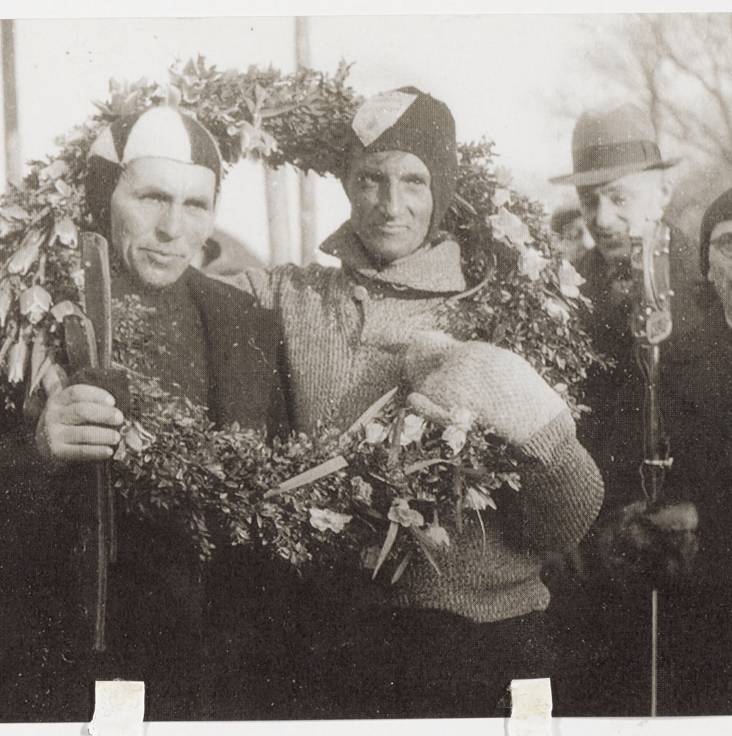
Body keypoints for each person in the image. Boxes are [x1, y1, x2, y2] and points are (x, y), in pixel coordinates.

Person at [232, 87, 604, 718]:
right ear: (347, 185)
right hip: (337, 636)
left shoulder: (502, 309)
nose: (391, 205)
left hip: (481, 639)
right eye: (371, 180)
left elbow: (568, 519)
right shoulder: (291, 294)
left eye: (415, 181)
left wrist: (532, 419)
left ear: (444, 190)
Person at [6, 106, 287, 721]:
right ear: (107, 195)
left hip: (209, 665)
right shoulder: (24, 311)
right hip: (67, 659)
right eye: (153, 198)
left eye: (195, 205)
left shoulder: (248, 324)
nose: (171, 229)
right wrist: (36, 452)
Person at [548, 103, 727, 716]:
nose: (603, 219)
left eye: (621, 199)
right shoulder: (563, 298)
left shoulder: (711, 285)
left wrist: (704, 510)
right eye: (591, 201)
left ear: (664, 190)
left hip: (709, 571)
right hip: (603, 575)